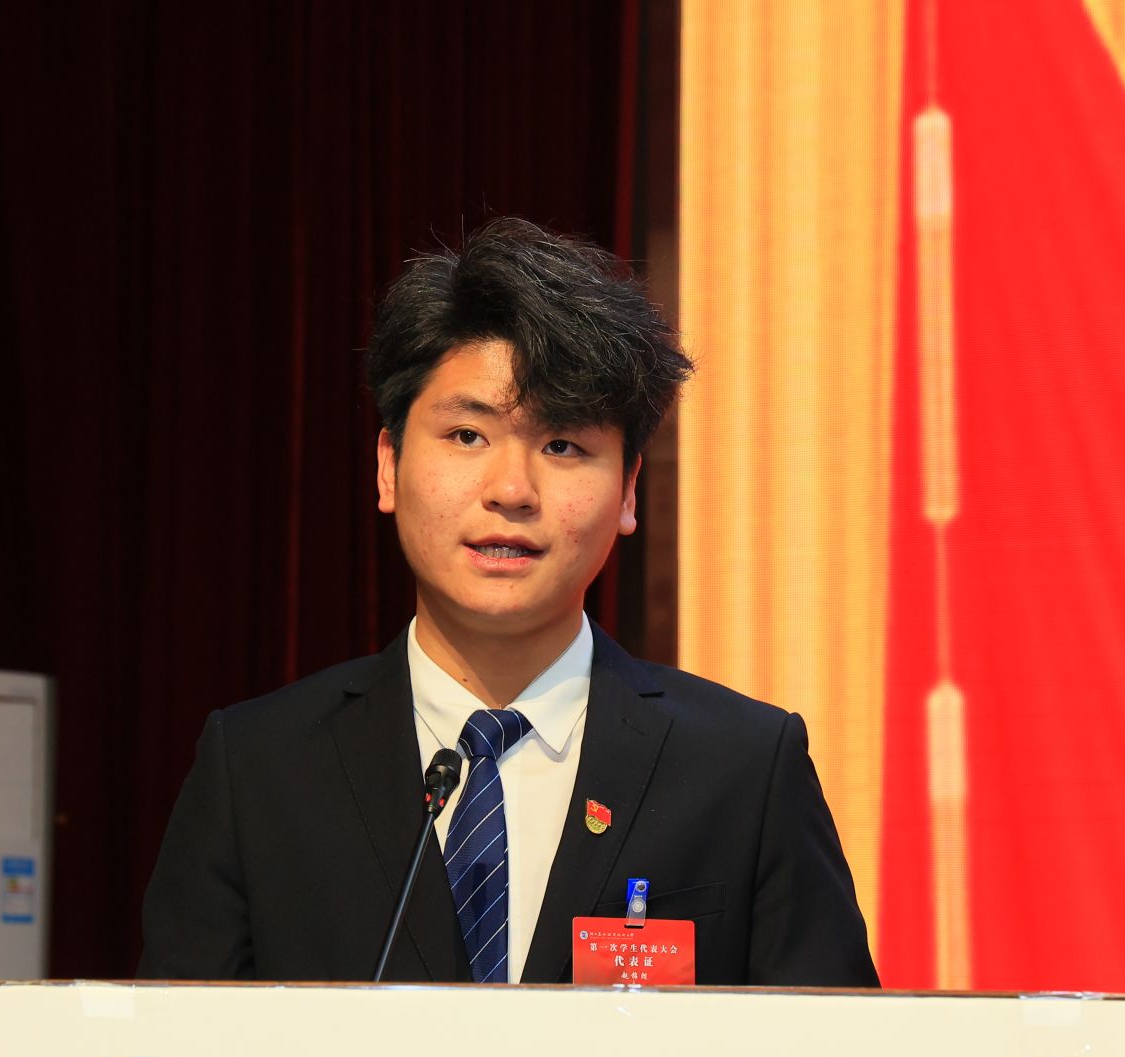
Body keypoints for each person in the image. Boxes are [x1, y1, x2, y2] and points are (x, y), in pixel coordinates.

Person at [139, 218, 878, 988]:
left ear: (629, 491)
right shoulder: (258, 769)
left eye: (563, 446)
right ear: (388, 466)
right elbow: (178, 1049)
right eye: (467, 435)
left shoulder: (744, 770)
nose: (512, 490)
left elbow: (837, 1054)